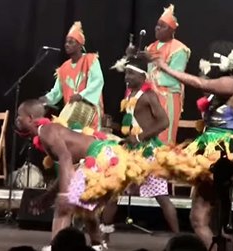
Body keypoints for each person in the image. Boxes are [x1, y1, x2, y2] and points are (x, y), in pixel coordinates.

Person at [152, 41, 233, 249]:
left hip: (219, 149)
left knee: (200, 218)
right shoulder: (226, 84)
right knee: (213, 220)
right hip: (214, 146)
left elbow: (200, 84)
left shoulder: (230, 83)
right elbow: (205, 87)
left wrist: (164, 67)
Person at [15, 99, 150, 251]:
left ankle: (56, 247)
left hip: (101, 155)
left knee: (64, 206)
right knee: (85, 205)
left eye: (19, 116)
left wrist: (65, 195)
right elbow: (70, 170)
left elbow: (65, 158)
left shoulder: (46, 131)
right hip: (107, 154)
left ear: (30, 118)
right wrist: (47, 196)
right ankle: (97, 246)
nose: (17, 120)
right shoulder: (49, 132)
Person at [100, 56, 179, 247]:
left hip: (147, 153)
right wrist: (114, 125)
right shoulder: (129, 94)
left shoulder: (149, 95)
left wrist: (139, 137)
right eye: (126, 72)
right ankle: (102, 239)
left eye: (131, 73)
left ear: (143, 76)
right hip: (130, 151)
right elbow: (132, 126)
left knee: (162, 196)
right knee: (113, 193)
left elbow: (164, 122)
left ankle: (179, 240)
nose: (126, 77)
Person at [39, 21, 104, 130]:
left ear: (80, 45)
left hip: (89, 112)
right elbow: (56, 92)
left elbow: (97, 81)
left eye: (71, 42)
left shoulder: (90, 60)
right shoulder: (64, 67)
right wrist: (46, 99)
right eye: (66, 42)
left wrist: (81, 95)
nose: (67, 44)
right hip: (71, 115)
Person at [144, 4, 190, 145]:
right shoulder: (150, 47)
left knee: (163, 138)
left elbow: (174, 77)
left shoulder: (179, 49)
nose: (158, 28)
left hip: (167, 98)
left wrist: (149, 79)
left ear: (171, 31)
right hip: (150, 97)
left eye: (163, 26)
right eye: (157, 25)